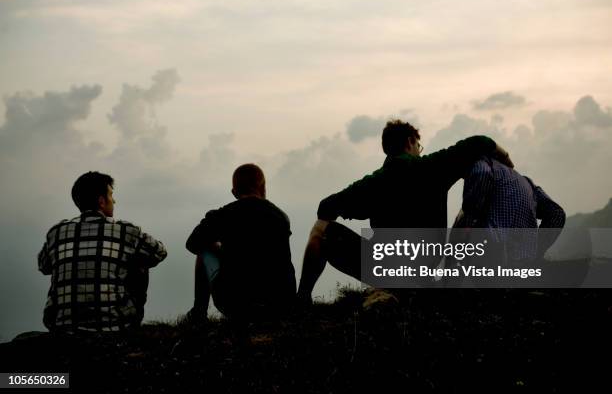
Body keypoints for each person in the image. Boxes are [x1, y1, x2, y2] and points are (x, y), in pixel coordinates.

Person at [297, 119, 514, 301]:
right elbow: (479, 142)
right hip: (423, 272)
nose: (419, 151)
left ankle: (303, 298)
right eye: (418, 146)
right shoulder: (433, 167)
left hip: (385, 270)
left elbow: (325, 208)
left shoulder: (373, 183)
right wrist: (507, 161)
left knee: (322, 229)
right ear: (411, 141)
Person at [38, 172, 167, 332]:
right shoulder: (126, 231)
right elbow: (160, 252)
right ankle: (131, 323)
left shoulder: (56, 233)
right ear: (101, 201)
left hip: (61, 325)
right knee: (140, 261)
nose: (114, 200)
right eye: (111, 195)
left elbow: (44, 267)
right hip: (114, 324)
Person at [186, 163, 296, 322]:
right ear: (263, 187)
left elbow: (193, 244)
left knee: (205, 249)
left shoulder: (222, 215)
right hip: (281, 305)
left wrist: (219, 249)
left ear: (234, 192)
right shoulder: (281, 216)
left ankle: (199, 314)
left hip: (237, 305)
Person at [450, 156, 566, 271]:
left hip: (495, 262)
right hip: (524, 262)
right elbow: (557, 214)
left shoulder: (480, 166)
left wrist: (465, 225)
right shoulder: (525, 182)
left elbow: (469, 219)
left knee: (461, 225)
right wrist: (536, 251)